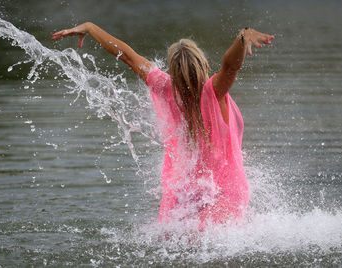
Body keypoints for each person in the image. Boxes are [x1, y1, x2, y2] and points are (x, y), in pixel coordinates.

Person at [52, 23, 273, 228]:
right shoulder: (215, 91)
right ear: (205, 64)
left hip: (184, 193)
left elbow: (128, 56)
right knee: (206, 240)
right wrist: (243, 37)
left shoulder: (166, 87)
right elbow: (230, 66)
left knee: (174, 242)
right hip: (225, 192)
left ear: (172, 73)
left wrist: (91, 27)